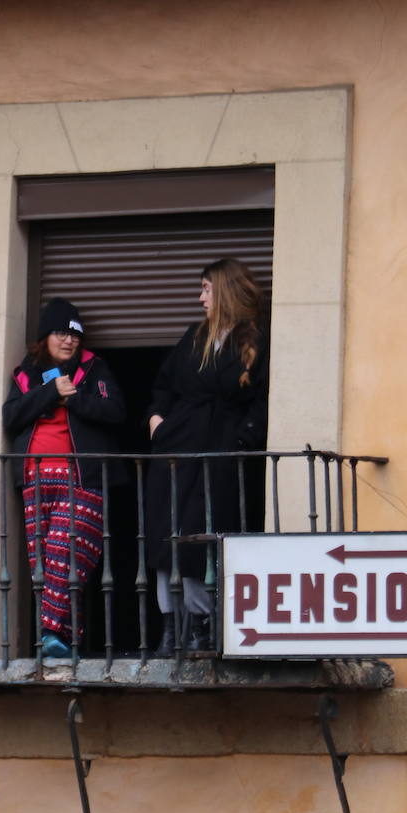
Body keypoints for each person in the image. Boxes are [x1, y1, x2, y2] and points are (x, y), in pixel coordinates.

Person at [145, 258, 270, 655]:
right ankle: (171, 624)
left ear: (226, 292)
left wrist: (243, 441)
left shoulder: (256, 340)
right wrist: (156, 423)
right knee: (166, 535)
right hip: (175, 450)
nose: (200, 298)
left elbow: (263, 401)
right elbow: (162, 387)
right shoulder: (193, 337)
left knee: (203, 537)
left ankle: (202, 623)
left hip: (220, 455)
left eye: (206, 289)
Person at [3, 298, 125, 658]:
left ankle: (50, 632)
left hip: (80, 476)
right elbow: (11, 418)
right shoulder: (25, 374)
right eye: (60, 333)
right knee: (43, 561)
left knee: (65, 551)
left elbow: (115, 411)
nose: (69, 341)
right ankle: (64, 641)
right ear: (45, 337)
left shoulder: (95, 370)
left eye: (75, 335)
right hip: (35, 478)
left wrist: (73, 399)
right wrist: (49, 393)